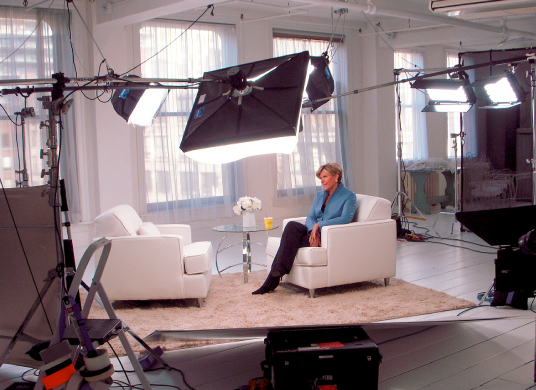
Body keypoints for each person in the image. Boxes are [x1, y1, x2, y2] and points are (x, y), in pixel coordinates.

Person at [252, 163, 357, 295]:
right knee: (291, 226)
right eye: (320, 178)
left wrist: (319, 226)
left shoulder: (349, 196)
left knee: (288, 241)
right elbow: (311, 217)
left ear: (336, 176)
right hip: (313, 233)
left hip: (328, 235)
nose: (322, 181)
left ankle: (271, 281)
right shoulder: (320, 195)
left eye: (325, 176)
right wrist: (313, 230)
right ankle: (278, 272)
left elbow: (345, 219)